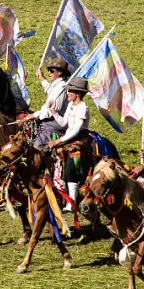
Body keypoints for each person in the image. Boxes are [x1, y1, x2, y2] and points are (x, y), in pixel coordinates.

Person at [47, 77, 91, 211]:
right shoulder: (71, 105)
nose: (68, 93)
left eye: (70, 91)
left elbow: (76, 130)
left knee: (70, 168)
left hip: (79, 140)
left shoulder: (83, 108)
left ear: (77, 94)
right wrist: (53, 112)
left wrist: (58, 141)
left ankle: (71, 203)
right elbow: (63, 123)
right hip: (68, 139)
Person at [25, 58, 71, 148]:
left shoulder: (61, 86)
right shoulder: (58, 85)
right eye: (48, 70)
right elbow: (51, 91)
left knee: (36, 147)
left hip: (55, 122)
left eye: (52, 71)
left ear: (60, 72)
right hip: (49, 119)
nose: (49, 73)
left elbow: (52, 110)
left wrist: (35, 115)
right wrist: (42, 79)